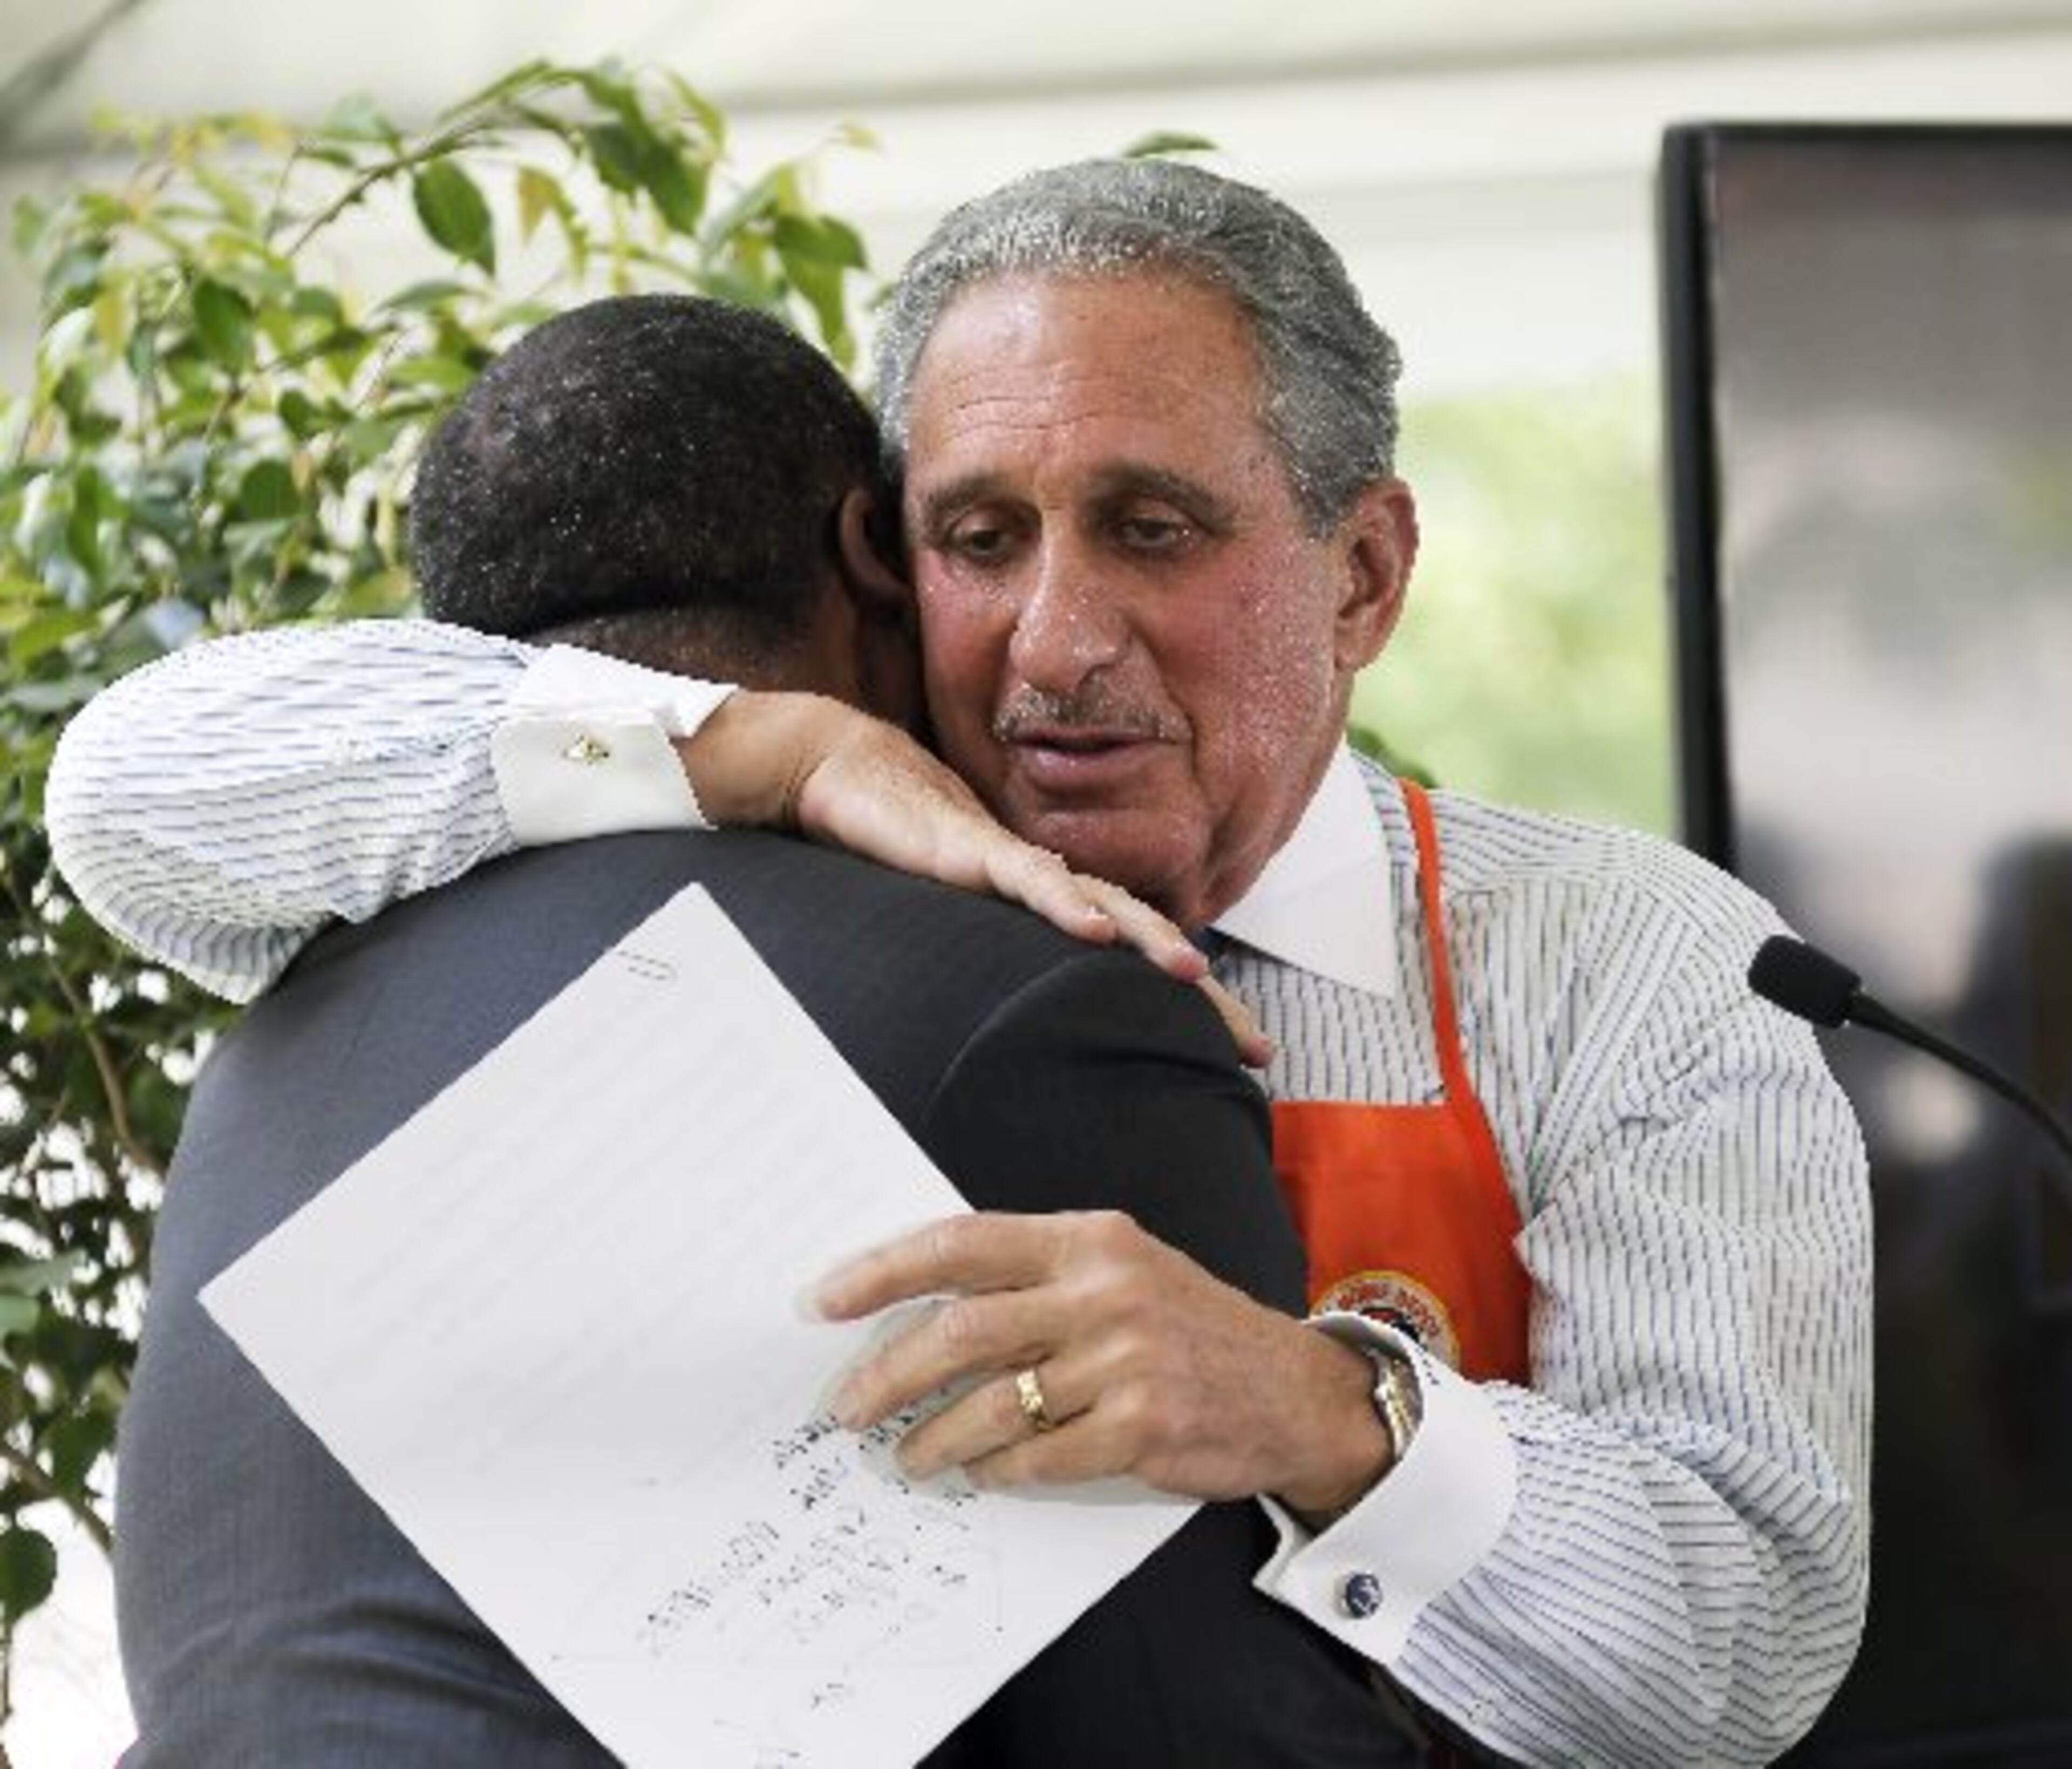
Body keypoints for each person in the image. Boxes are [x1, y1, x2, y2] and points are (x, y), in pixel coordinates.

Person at [49, 161, 1873, 1766]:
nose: (1054, 645)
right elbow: (131, 784)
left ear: (1366, 577)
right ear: (880, 551)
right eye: (978, 540)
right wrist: (779, 748)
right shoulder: (796, 889)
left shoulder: (1628, 963)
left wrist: (1320, 1409)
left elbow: (1743, 1645)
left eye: (1154, 532)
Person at [92, 293, 1394, 1765]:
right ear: (871, 556)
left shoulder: (274, 1038)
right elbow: (1211, 1736)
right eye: (971, 546)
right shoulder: (1031, 1009)